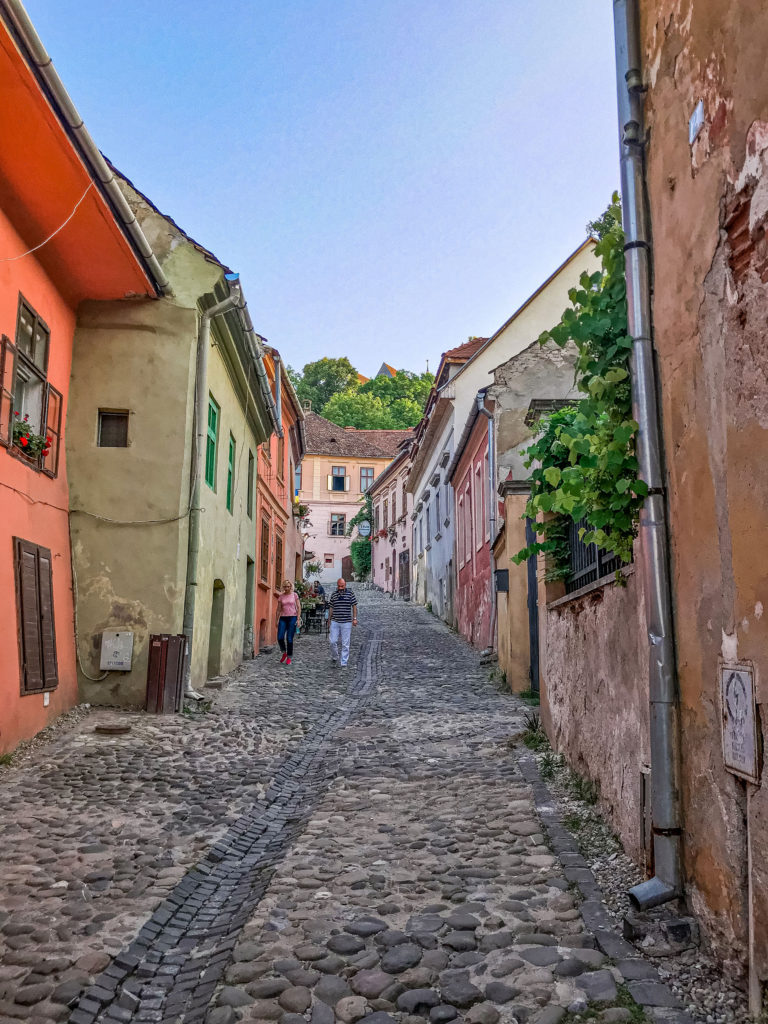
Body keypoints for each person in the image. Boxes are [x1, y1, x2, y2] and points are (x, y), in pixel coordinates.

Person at [328, 577, 357, 667]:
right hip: (335, 621)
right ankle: (335, 656)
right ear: (337, 585)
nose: (340, 588)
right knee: (332, 641)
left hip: (346, 621)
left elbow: (354, 606)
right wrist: (329, 619)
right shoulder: (334, 594)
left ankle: (344, 661)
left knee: (345, 643)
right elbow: (331, 607)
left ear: (345, 585)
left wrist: (355, 618)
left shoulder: (350, 593)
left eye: (342, 586)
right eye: (339, 586)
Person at [276, 580, 300, 665]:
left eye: (288, 587)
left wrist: (298, 619)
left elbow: (298, 607)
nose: (286, 588)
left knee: (289, 638)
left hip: (292, 617)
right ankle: (284, 652)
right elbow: (278, 609)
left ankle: (289, 656)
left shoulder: (294, 595)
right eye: (285, 587)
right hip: (283, 617)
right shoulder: (281, 596)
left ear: (290, 587)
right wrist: (277, 619)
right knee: (280, 637)